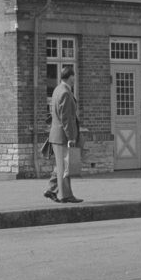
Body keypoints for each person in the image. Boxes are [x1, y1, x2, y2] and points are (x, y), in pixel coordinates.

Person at [45, 64, 83, 203]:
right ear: (70, 77)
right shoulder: (66, 93)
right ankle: (65, 196)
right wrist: (71, 137)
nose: (74, 79)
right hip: (62, 135)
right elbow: (66, 118)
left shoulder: (57, 90)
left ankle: (51, 189)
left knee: (60, 165)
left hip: (56, 134)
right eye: (73, 76)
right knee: (65, 167)